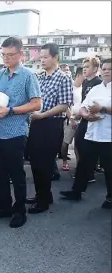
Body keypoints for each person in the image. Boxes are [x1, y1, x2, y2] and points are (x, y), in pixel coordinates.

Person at [0, 37, 41, 228]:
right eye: (4, 54)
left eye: (10, 55)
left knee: (16, 174)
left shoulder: (28, 76)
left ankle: (19, 211)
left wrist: (10, 111)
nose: (6, 58)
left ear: (20, 54)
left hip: (16, 132)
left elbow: (36, 103)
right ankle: (5, 207)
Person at [26, 43, 73, 214]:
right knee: (35, 163)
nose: (42, 60)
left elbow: (64, 105)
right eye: (41, 57)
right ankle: (42, 195)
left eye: (46, 57)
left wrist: (42, 115)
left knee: (45, 164)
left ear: (55, 57)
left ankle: (43, 201)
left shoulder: (63, 78)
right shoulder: (38, 77)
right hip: (36, 124)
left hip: (52, 125)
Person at [60, 58, 111, 209]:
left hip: (109, 137)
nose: (107, 71)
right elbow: (83, 106)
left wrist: (101, 108)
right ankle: (76, 191)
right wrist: (86, 115)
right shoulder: (96, 88)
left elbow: (99, 107)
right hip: (92, 133)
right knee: (83, 165)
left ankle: (110, 198)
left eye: (110, 69)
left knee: (109, 169)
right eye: (105, 68)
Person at [74, 57, 102, 183]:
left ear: (95, 69)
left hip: (95, 119)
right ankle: (84, 174)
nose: (84, 69)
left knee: (88, 148)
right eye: (83, 67)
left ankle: (88, 174)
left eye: (87, 67)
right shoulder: (85, 82)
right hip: (84, 117)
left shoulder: (98, 82)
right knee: (79, 144)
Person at [61, 66, 83, 170]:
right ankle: (64, 161)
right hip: (70, 120)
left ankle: (79, 166)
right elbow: (65, 106)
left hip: (81, 119)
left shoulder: (84, 87)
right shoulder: (70, 87)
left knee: (78, 145)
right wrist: (72, 119)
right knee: (65, 143)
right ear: (78, 75)